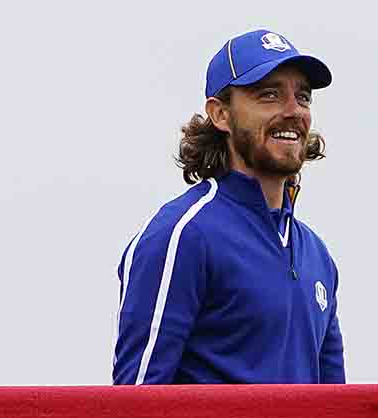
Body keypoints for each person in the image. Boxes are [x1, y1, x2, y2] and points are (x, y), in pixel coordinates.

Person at [113, 29, 344, 384]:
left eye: (303, 97)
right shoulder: (183, 235)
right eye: (269, 95)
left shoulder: (318, 257)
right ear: (220, 114)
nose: (292, 111)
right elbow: (134, 409)